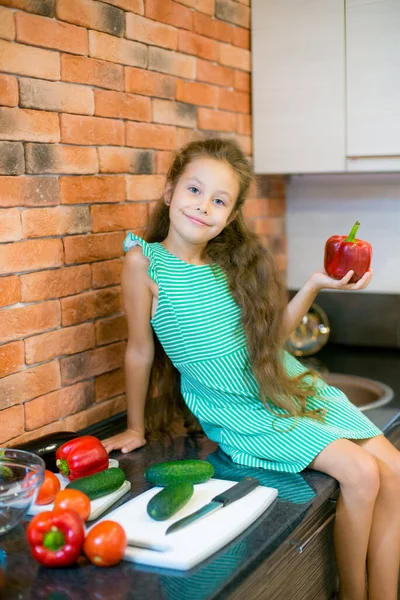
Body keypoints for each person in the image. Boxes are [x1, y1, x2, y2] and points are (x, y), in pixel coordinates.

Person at [103, 138, 400, 600]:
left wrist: (317, 285)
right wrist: (135, 428)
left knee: (395, 471)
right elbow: (139, 350)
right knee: (361, 473)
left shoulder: (227, 266)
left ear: (231, 215)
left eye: (219, 200)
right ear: (169, 192)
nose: (203, 207)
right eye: (194, 191)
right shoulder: (143, 262)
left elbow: (269, 344)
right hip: (241, 411)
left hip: (285, 385)